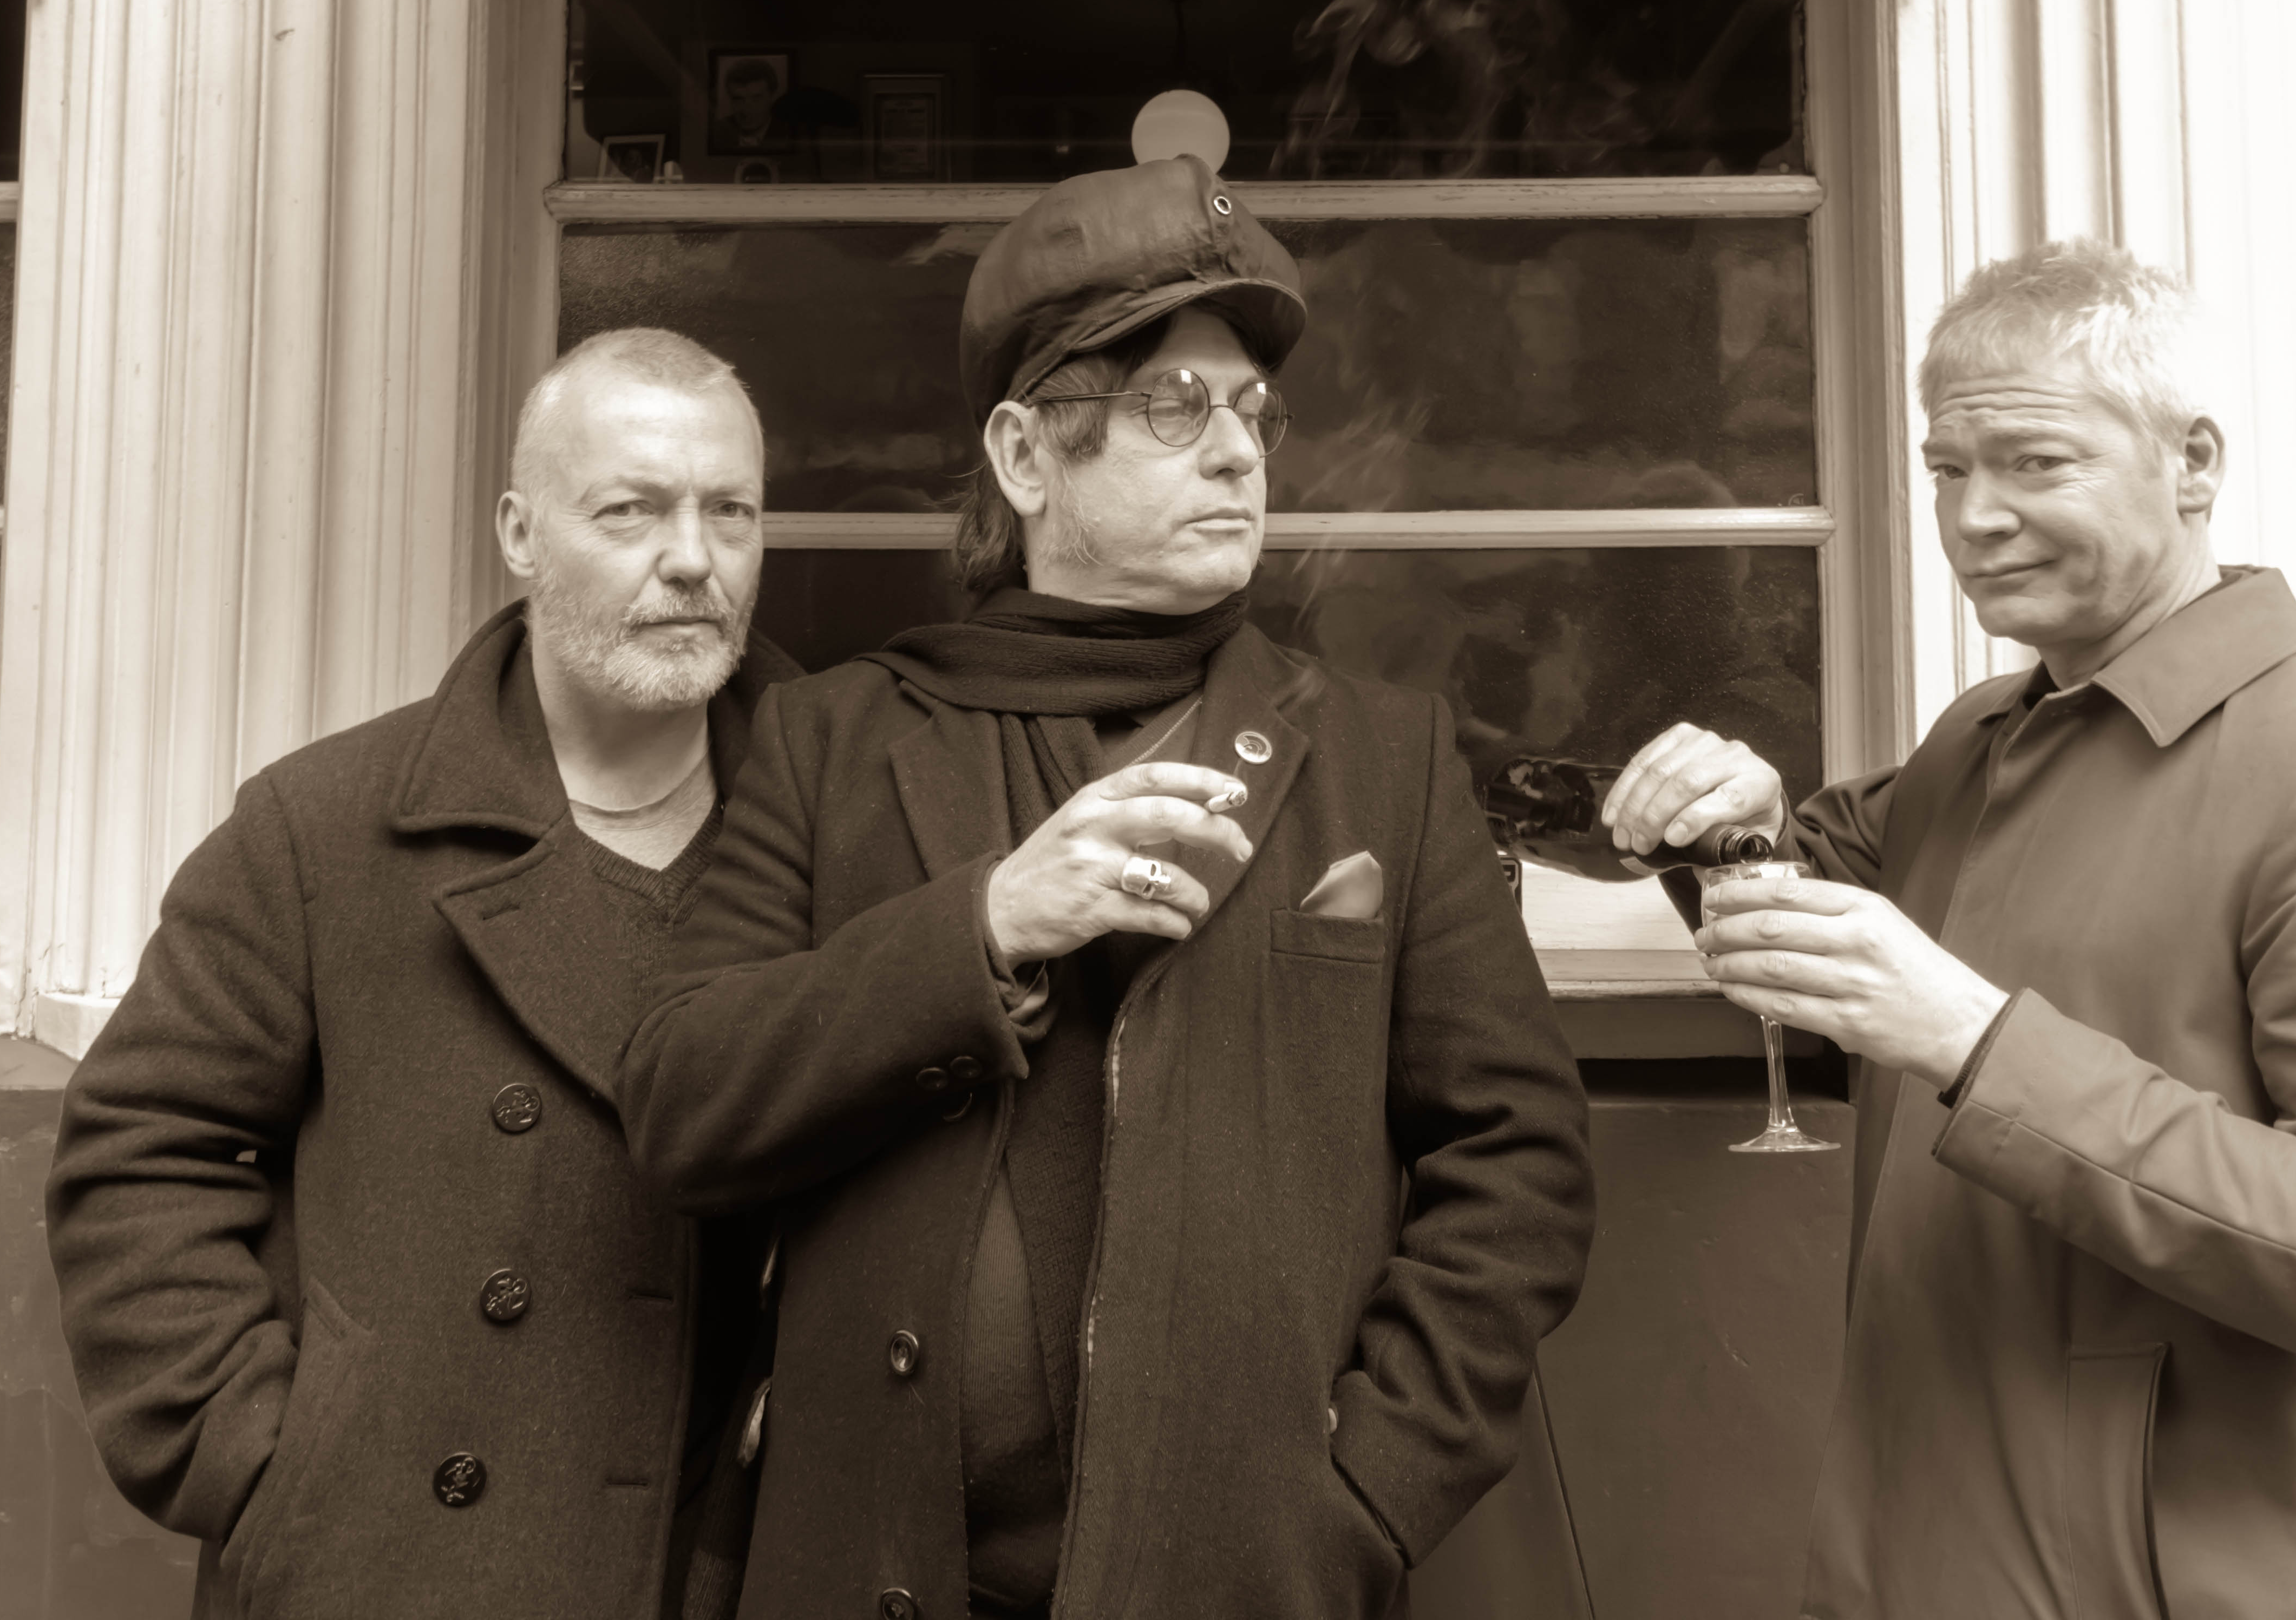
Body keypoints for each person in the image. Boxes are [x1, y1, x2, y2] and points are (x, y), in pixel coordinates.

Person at [616, 156, 1594, 1620]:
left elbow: (1519, 1165)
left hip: (1245, 1583)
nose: (1238, 453)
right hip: (873, 1568)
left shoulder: (1382, 760)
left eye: (1252, 412)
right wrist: (980, 928)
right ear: (1025, 456)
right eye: (1172, 407)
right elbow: (681, 1101)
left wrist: (1364, 1496)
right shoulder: (833, 739)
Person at [1600, 245, 2296, 1620]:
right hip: (1894, 1558)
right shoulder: (1977, 740)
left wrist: (1979, 1045)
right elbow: (1822, 917)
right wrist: (1730, 830)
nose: (1973, 517)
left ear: (2191, 464)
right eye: (1944, 469)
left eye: (2034, 462)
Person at [47, 329, 800, 1620]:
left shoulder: (840, 817)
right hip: (391, 1562)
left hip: (728, 1563)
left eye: (729, 511)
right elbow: (139, 1150)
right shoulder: (324, 828)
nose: (693, 558)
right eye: (629, 510)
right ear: (519, 533)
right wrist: (271, 1464)